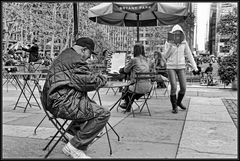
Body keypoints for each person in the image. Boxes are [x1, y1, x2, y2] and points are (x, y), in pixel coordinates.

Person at [42, 37, 110, 158]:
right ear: (84, 50)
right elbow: (88, 82)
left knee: (89, 104)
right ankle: (74, 146)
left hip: (53, 99)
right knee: (102, 114)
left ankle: (70, 134)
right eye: (89, 54)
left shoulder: (66, 55)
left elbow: (80, 79)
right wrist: (103, 78)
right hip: (61, 102)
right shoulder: (76, 60)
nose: (89, 57)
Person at [163, 24, 198, 114]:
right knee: (174, 86)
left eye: (179, 33)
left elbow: (189, 55)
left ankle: (178, 102)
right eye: (175, 33)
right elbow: (165, 56)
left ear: (181, 33)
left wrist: (195, 67)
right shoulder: (168, 42)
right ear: (172, 33)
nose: (177, 34)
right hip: (171, 66)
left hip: (181, 67)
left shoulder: (184, 42)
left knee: (183, 87)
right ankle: (174, 106)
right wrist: (171, 46)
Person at [119, 43, 152, 112]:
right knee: (132, 87)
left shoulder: (134, 60)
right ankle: (127, 104)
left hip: (137, 87)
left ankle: (127, 103)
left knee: (128, 87)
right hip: (148, 87)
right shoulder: (147, 60)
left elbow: (125, 70)